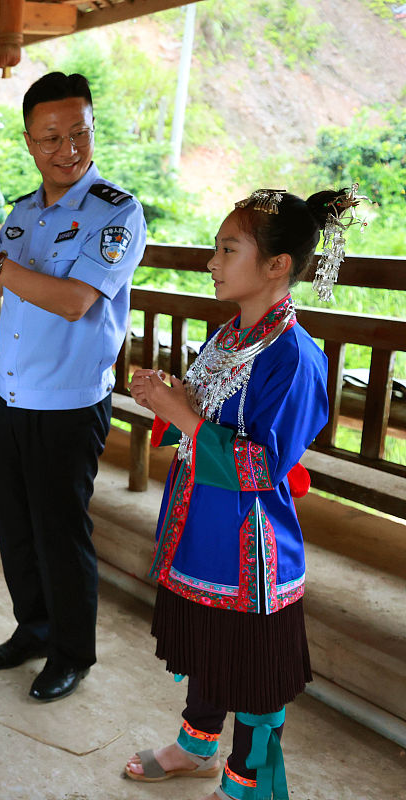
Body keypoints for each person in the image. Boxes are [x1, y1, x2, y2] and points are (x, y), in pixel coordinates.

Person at [0, 70, 147, 702]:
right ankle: (33, 629)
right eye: (51, 137)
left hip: (69, 403)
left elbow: (73, 301)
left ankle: (72, 651)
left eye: (79, 134)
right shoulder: (21, 214)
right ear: (28, 141)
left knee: (60, 532)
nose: (68, 149)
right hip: (13, 398)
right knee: (15, 528)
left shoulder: (115, 213)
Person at [123, 187, 360, 800]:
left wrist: (185, 415)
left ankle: (249, 781)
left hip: (249, 547)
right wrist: (171, 396)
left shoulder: (295, 358)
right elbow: (207, 415)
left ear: (277, 266)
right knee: (208, 647)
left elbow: (264, 466)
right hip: (201, 526)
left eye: (229, 249)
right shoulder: (231, 337)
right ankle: (197, 746)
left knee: (254, 672)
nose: (213, 262)